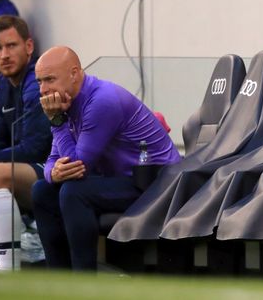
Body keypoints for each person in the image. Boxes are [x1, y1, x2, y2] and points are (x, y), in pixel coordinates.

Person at [30, 46, 180, 271]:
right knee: (41, 190)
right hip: (121, 179)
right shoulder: (65, 103)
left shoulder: (101, 101)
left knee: (74, 192)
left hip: (156, 183)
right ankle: (58, 282)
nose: (43, 90)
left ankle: (84, 283)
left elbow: (79, 168)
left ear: (74, 73)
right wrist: (53, 173)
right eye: (40, 81)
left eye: (50, 79)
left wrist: (57, 121)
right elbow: (53, 159)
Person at [0, 16, 50, 270]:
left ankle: (9, 263)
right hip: (31, 170)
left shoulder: (38, 82)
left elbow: (34, 149)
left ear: (29, 47)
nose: (4, 55)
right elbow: (0, 140)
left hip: (55, 171)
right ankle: (25, 231)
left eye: (11, 45)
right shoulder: (3, 83)